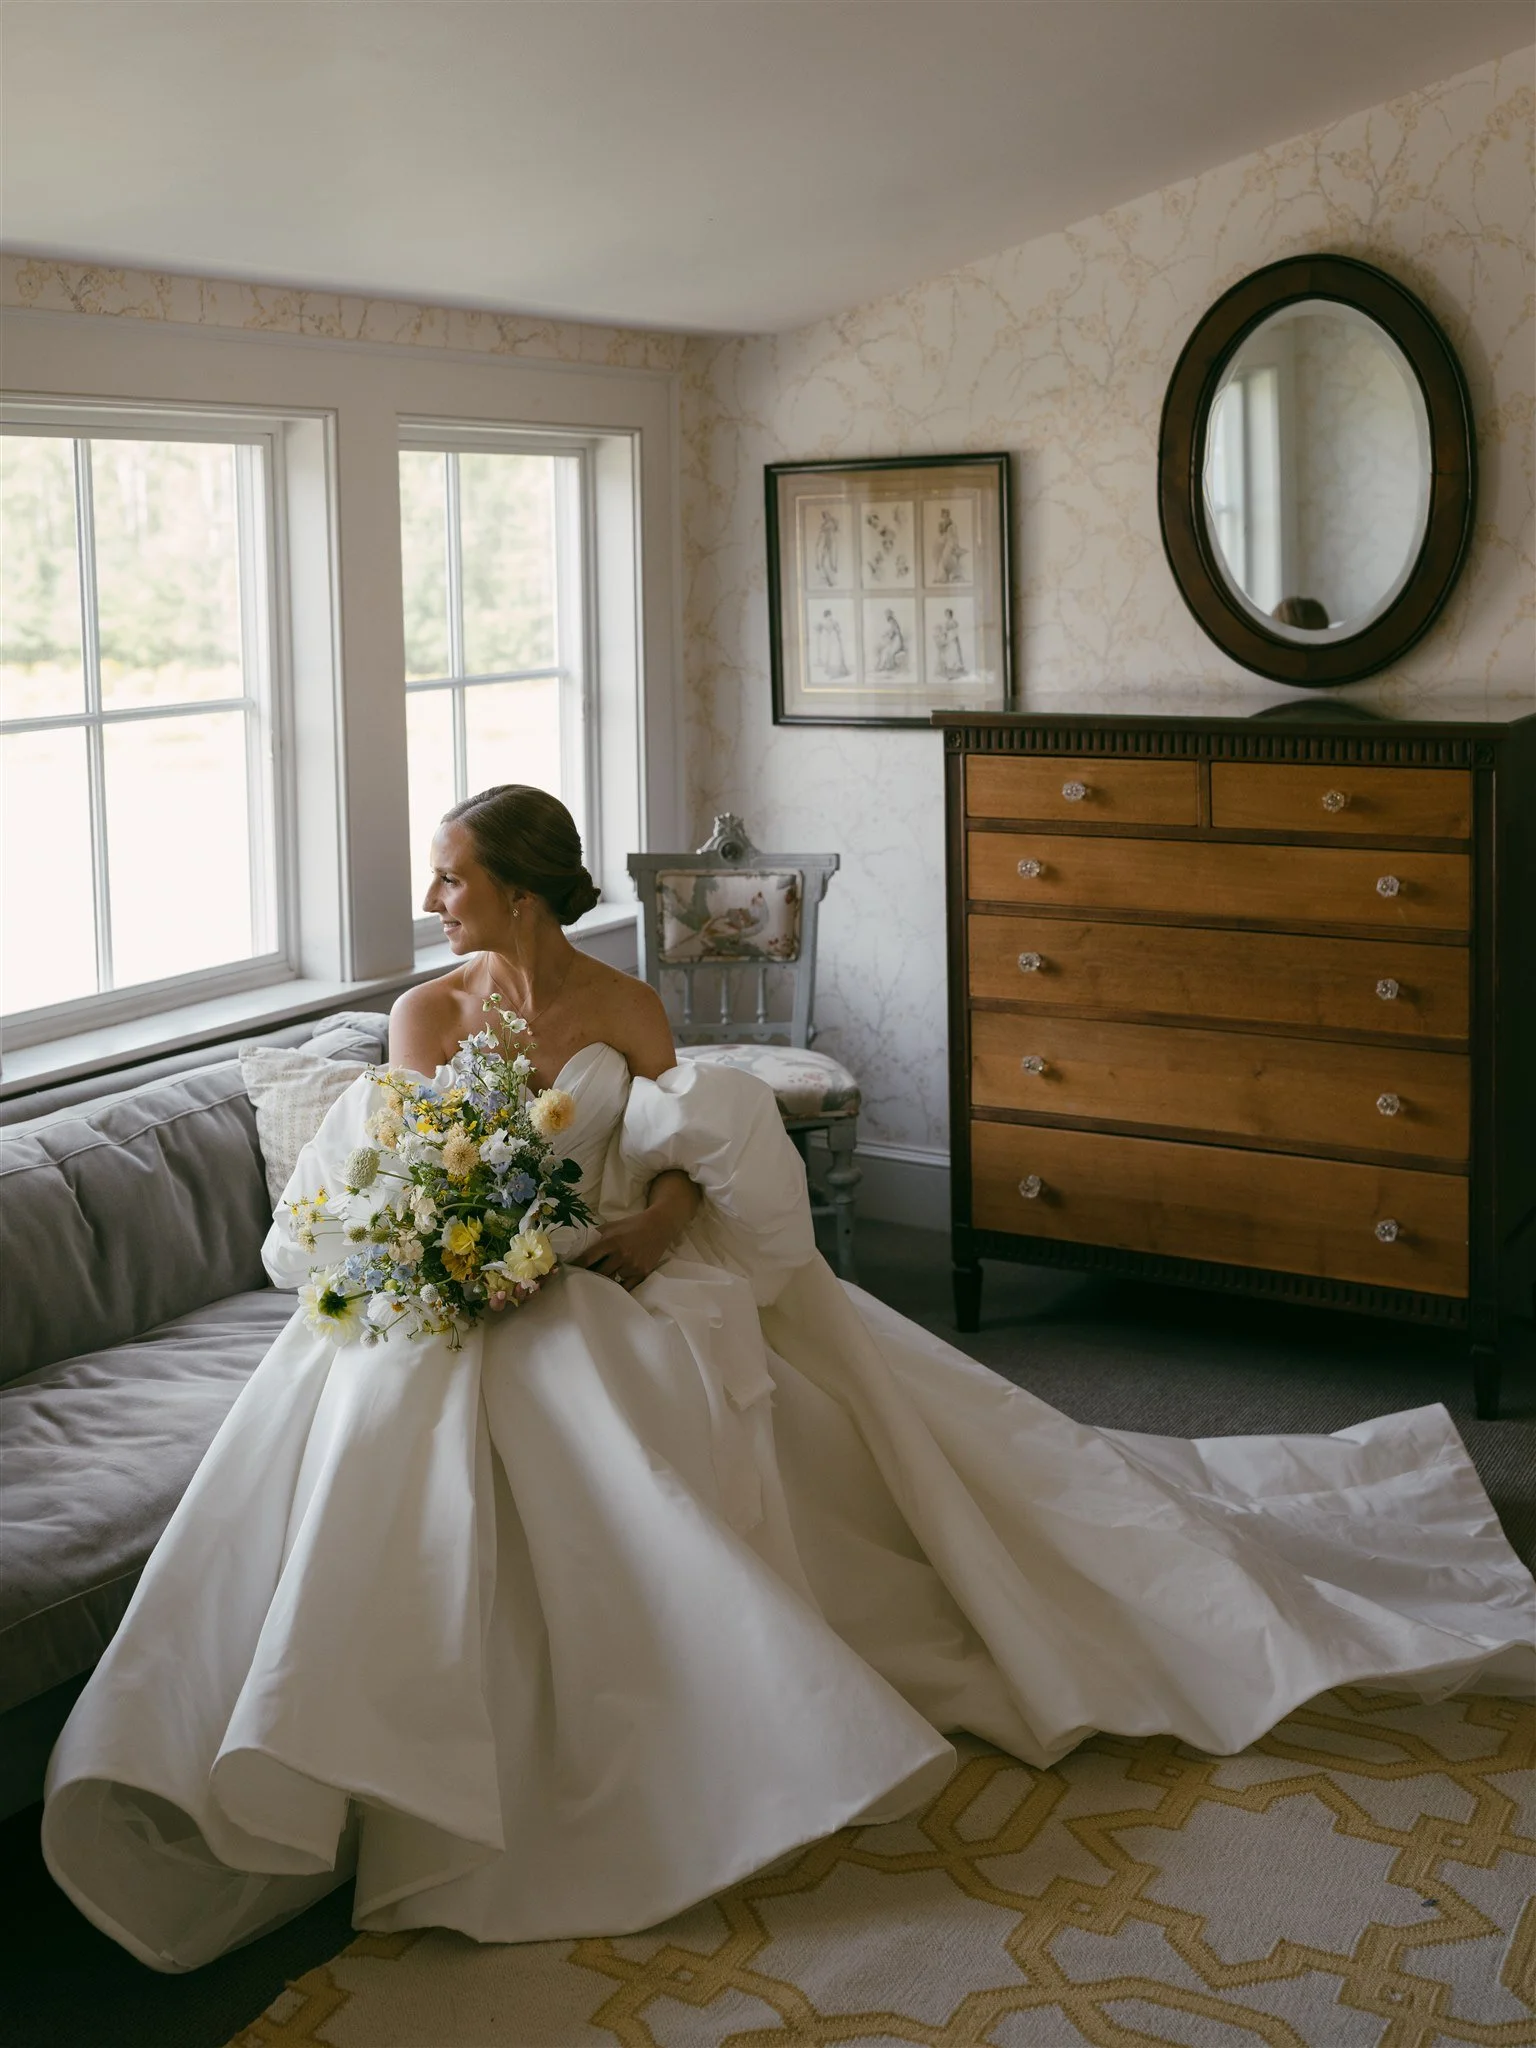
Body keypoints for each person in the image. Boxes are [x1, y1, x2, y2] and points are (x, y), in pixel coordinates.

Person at [41, 787, 1535, 1973]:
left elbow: (683, 1151)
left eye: (451, 876)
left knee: (605, 1382)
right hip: (458, 1290)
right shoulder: (429, 1021)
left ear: (523, 889)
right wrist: (467, 1255)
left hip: (596, 1269)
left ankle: (678, 1701)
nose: (432, 902)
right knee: (439, 1412)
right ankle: (413, 1740)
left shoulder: (624, 1008)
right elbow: (404, 1179)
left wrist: (651, 1223)